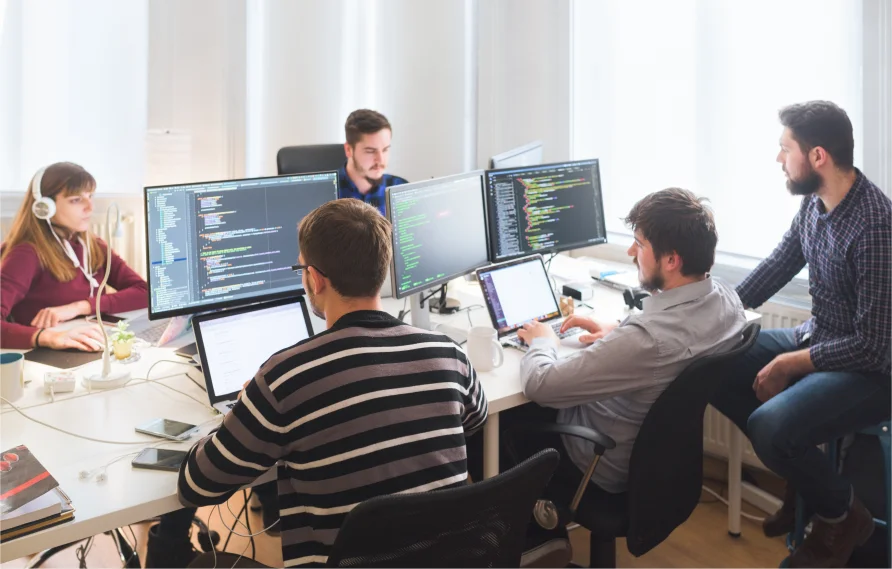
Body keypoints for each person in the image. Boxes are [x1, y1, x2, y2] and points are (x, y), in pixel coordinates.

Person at [176, 199, 488, 567]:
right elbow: (476, 421)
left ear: (315, 278)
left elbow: (197, 484)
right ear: (382, 270)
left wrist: (243, 415)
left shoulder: (284, 378)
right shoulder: (448, 353)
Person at [469, 188, 747, 498]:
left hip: (596, 463)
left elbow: (540, 384)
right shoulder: (727, 300)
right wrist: (617, 330)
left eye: (639, 244)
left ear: (671, 260)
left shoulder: (645, 341)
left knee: (482, 424)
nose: (631, 252)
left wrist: (543, 341)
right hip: (655, 462)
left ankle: (534, 533)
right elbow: (675, 343)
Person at [710, 101, 891, 568]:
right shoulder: (817, 203)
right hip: (819, 339)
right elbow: (776, 266)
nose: (778, 159)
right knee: (712, 365)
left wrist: (790, 363)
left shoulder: (874, 227)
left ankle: (841, 515)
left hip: (870, 371)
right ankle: (808, 480)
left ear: (817, 157)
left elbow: (873, 346)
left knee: (770, 426)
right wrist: (709, 315)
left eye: (783, 148)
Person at [0, 162, 148, 351]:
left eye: (90, 196)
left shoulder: (93, 245)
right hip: (46, 355)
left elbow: (144, 291)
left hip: (89, 342)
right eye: (76, 200)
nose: (90, 207)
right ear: (45, 207)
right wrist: (47, 337)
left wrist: (80, 307)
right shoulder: (25, 254)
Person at [337, 109, 408, 215]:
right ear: (348, 150)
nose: (380, 159)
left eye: (385, 149)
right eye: (370, 151)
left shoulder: (401, 189)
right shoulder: (327, 192)